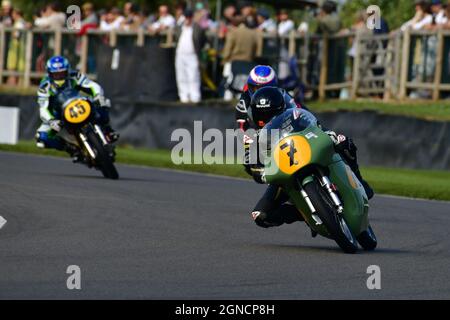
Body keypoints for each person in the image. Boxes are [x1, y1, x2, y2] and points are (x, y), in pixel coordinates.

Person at [244, 87, 374, 229]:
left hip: (308, 150)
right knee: (260, 215)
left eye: (271, 113)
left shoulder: (293, 113)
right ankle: (303, 213)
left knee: (345, 144)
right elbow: (249, 161)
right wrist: (259, 172)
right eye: (262, 115)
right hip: (282, 170)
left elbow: (315, 124)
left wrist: (332, 136)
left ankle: (359, 181)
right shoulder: (252, 132)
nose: (268, 118)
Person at [35, 56, 118, 161]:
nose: (59, 77)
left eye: (62, 73)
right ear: (49, 74)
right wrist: (51, 120)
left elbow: (93, 86)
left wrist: (98, 96)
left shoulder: (74, 76)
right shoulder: (44, 86)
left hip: (78, 103)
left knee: (103, 103)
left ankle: (107, 131)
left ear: (67, 71)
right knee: (41, 138)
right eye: (56, 75)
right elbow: (43, 108)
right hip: (58, 114)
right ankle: (72, 149)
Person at [174, 8, 206, 103]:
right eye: (186, 17)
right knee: (181, 76)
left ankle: (195, 97)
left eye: (189, 17)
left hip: (192, 55)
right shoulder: (179, 27)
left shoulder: (197, 28)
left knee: (193, 76)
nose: (187, 19)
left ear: (192, 17)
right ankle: (183, 97)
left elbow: (202, 40)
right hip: (180, 54)